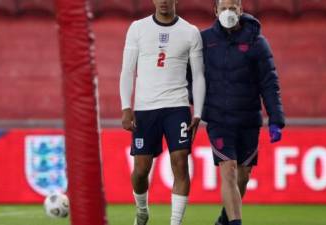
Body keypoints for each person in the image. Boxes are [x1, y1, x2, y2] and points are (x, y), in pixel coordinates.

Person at [119, 0, 206, 224]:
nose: (164, 1)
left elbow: (198, 76)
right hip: (145, 108)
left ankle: (175, 222)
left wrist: (198, 112)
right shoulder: (138, 28)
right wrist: (126, 107)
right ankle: (142, 210)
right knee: (140, 171)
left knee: (179, 162)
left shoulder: (190, 32)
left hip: (177, 106)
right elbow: (128, 70)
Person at [200, 0, 285, 225]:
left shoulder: (257, 42)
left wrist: (276, 120)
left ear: (240, 9)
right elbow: (190, 75)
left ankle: (223, 220)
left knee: (242, 176)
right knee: (227, 170)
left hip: (248, 120)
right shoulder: (204, 41)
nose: (228, 12)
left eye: (233, 7)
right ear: (215, 10)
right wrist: (196, 101)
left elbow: (269, 83)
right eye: (224, 8)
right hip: (219, 119)